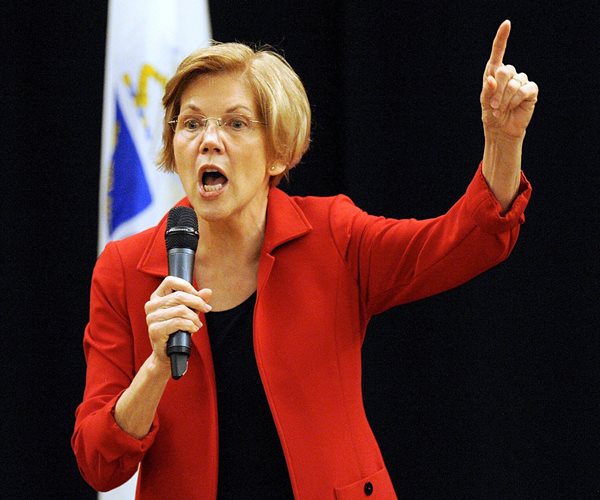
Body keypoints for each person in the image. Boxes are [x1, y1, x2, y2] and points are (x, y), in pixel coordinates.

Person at [72, 20, 537, 499]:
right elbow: (98, 463)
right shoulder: (124, 269)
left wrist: (502, 143)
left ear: (278, 152)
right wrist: (153, 369)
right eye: (191, 124)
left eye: (235, 123)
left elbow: (459, 243)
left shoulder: (332, 235)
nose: (209, 140)